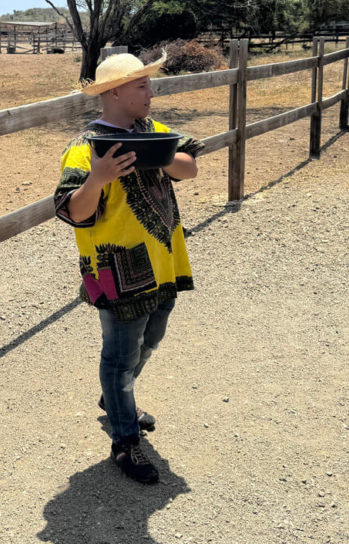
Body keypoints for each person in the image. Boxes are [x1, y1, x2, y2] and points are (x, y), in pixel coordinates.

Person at [53, 50, 202, 484]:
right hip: (117, 272)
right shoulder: (83, 150)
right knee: (119, 357)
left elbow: (189, 169)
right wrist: (98, 177)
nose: (150, 93)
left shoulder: (154, 132)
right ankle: (124, 439)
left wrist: (158, 155)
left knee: (151, 339)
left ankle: (116, 399)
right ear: (115, 92)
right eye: (142, 86)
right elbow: (74, 213)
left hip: (163, 262)